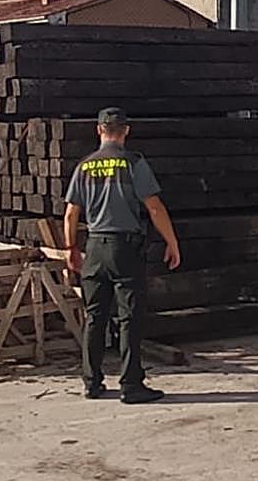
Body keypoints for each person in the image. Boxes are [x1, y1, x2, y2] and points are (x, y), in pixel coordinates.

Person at [64, 107, 182, 404]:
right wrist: (172, 241)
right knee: (130, 317)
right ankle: (131, 384)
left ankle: (92, 382)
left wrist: (71, 248)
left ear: (99, 130)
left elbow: (70, 213)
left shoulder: (84, 166)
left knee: (95, 316)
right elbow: (154, 206)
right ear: (126, 131)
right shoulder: (133, 163)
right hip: (125, 248)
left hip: (94, 247)